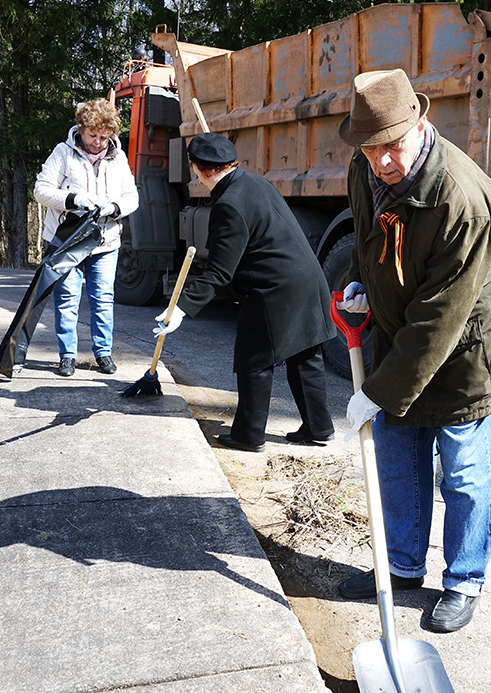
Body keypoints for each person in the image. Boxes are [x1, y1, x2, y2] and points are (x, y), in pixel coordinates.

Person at [335, 69, 491, 633]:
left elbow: (440, 317)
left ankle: (463, 580)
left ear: (421, 122)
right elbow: (370, 239)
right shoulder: (363, 174)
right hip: (400, 332)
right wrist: (364, 283)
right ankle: (404, 567)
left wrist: (379, 391)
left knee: (464, 476)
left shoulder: (461, 196)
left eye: (394, 144)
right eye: (371, 148)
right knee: (397, 463)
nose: (383, 159)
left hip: (466, 349)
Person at [154, 132, 335, 452]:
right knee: (305, 357)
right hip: (308, 280)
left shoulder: (228, 206)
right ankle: (318, 428)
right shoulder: (257, 183)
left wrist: (179, 308)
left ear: (203, 170)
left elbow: (219, 272)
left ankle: (248, 436)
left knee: (254, 360)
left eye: (195, 168)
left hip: (274, 290)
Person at [34, 98, 139, 377]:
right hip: (67, 242)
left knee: (103, 298)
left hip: (105, 243)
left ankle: (103, 353)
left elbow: (132, 198)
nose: (99, 142)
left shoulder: (118, 158)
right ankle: (67, 356)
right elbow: (41, 191)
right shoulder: (63, 153)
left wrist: (114, 208)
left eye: (105, 137)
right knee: (67, 297)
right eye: (93, 135)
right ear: (81, 129)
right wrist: (74, 199)